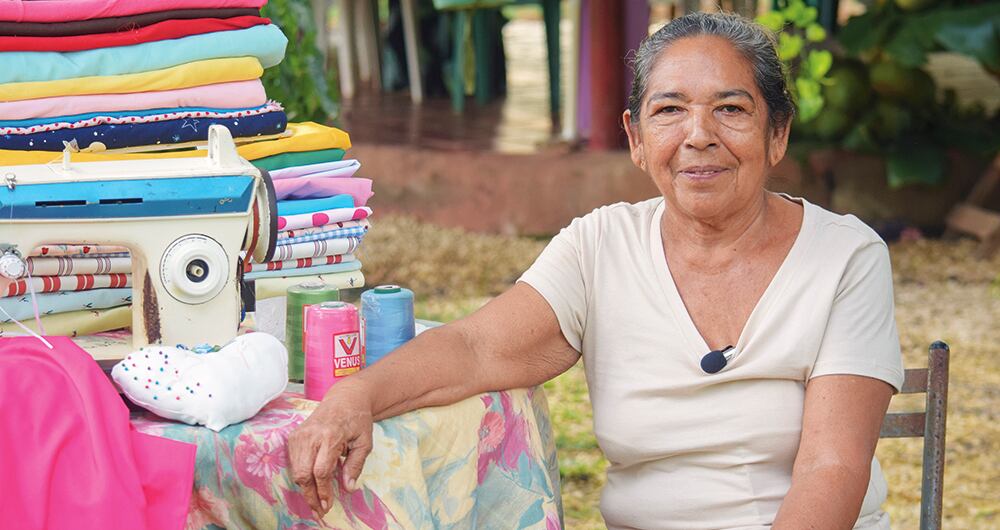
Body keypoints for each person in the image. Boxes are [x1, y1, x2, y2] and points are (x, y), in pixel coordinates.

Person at [288, 12, 904, 529]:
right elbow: (475, 348)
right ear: (636, 139)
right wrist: (355, 396)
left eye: (731, 109)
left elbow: (832, 468)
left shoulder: (845, 257)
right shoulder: (600, 245)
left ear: (778, 134)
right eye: (669, 110)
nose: (699, 136)